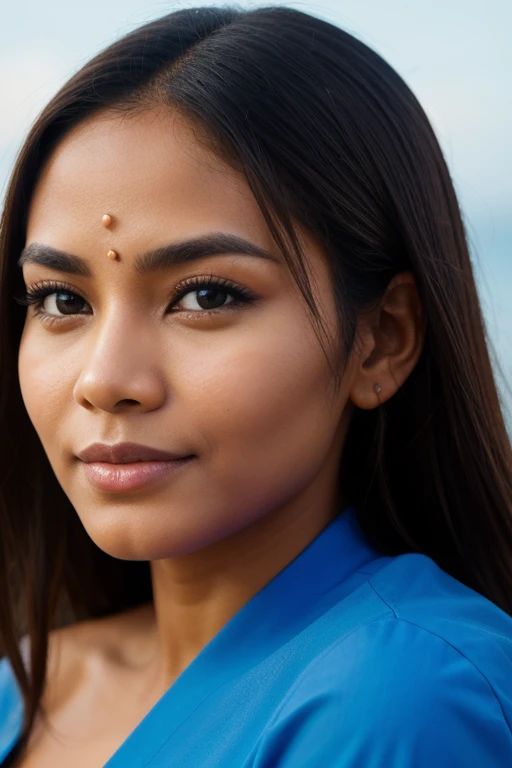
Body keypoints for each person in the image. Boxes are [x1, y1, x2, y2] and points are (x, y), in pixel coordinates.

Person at [0, 4, 511, 766]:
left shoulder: (400, 699)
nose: (105, 381)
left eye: (205, 296)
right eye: (62, 301)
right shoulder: (21, 683)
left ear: (382, 340)